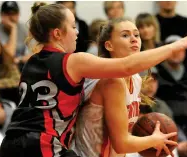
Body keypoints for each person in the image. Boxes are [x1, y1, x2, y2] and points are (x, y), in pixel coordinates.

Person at [0, 3, 187, 157]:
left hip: (11, 142)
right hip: (43, 144)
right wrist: (173, 47)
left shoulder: (31, 62)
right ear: (58, 33)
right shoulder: (75, 62)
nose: (77, 32)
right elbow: (126, 66)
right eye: (73, 26)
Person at [74, 17, 177, 157]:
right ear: (109, 45)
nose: (134, 39)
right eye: (125, 35)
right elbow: (121, 144)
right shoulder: (111, 82)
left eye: (136, 34)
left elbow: (123, 137)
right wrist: (153, 140)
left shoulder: (136, 80)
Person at [0, 1, 31, 71]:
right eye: (7, 14)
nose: (11, 17)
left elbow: (37, 51)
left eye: (14, 14)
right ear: (1, 15)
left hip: (21, 66)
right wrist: (13, 28)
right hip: (4, 68)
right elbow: (9, 56)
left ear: (19, 14)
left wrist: (20, 59)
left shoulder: (24, 28)